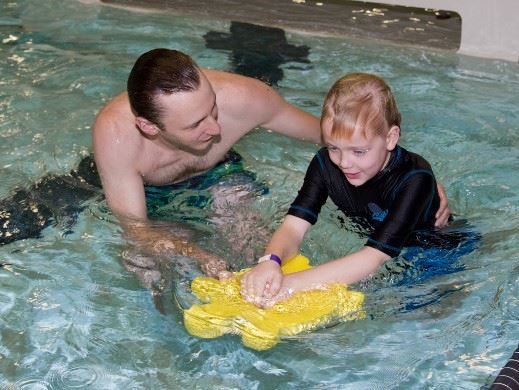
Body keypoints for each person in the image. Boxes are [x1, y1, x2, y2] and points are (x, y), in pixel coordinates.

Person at [92, 49, 449, 279]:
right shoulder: (117, 138)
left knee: (249, 250)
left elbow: (335, 135)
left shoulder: (245, 98)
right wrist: (194, 253)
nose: (216, 128)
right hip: (150, 197)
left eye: (212, 108)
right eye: (196, 124)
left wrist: (415, 178)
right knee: (148, 267)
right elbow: (136, 229)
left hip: (220, 177)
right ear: (149, 128)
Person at [240, 72, 454, 306]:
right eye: (333, 147)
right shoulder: (325, 164)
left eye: (359, 151)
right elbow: (293, 226)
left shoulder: (415, 178)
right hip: (373, 241)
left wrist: (289, 287)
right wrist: (270, 262)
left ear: (391, 138)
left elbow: (373, 258)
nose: (344, 162)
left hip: (434, 252)